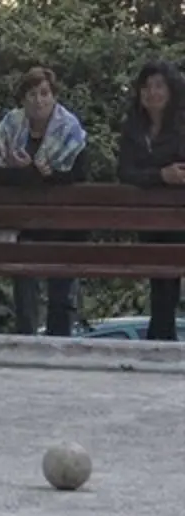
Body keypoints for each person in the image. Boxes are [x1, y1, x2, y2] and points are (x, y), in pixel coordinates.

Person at [0, 66, 90, 337]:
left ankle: (60, 345)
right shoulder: (10, 126)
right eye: (31, 94)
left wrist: (47, 175)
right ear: (23, 99)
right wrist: (29, 172)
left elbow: (78, 175)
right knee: (25, 290)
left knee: (62, 297)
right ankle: (26, 341)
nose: (38, 100)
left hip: (65, 227)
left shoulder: (70, 129)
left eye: (44, 93)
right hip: (25, 226)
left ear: (54, 96)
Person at [117, 60, 185, 342]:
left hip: (178, 219)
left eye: (158, 86)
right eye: (145, 87)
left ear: (170, 91)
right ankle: (160, 339)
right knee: (159, 284)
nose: (151, 92)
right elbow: (125, 172)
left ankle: (162, 338)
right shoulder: (133, 128)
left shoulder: (182, 126)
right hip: (148, 221)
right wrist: (160, 175)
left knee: (168, 283)